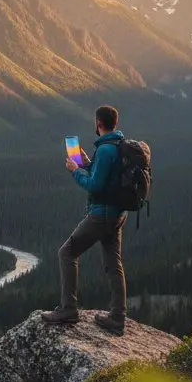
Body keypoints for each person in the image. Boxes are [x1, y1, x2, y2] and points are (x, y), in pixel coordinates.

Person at [43, 104, 127, 333]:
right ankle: (118, 317)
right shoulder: (118, 146)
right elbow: (104, 176)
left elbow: (95, 185)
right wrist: (88, 162)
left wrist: (74, 170)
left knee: (67, 252)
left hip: (102, 214)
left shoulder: (106, 149)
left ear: (98, 123)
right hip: (118, 214)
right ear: (114, 123)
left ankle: (68, 309)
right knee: (113, 263)